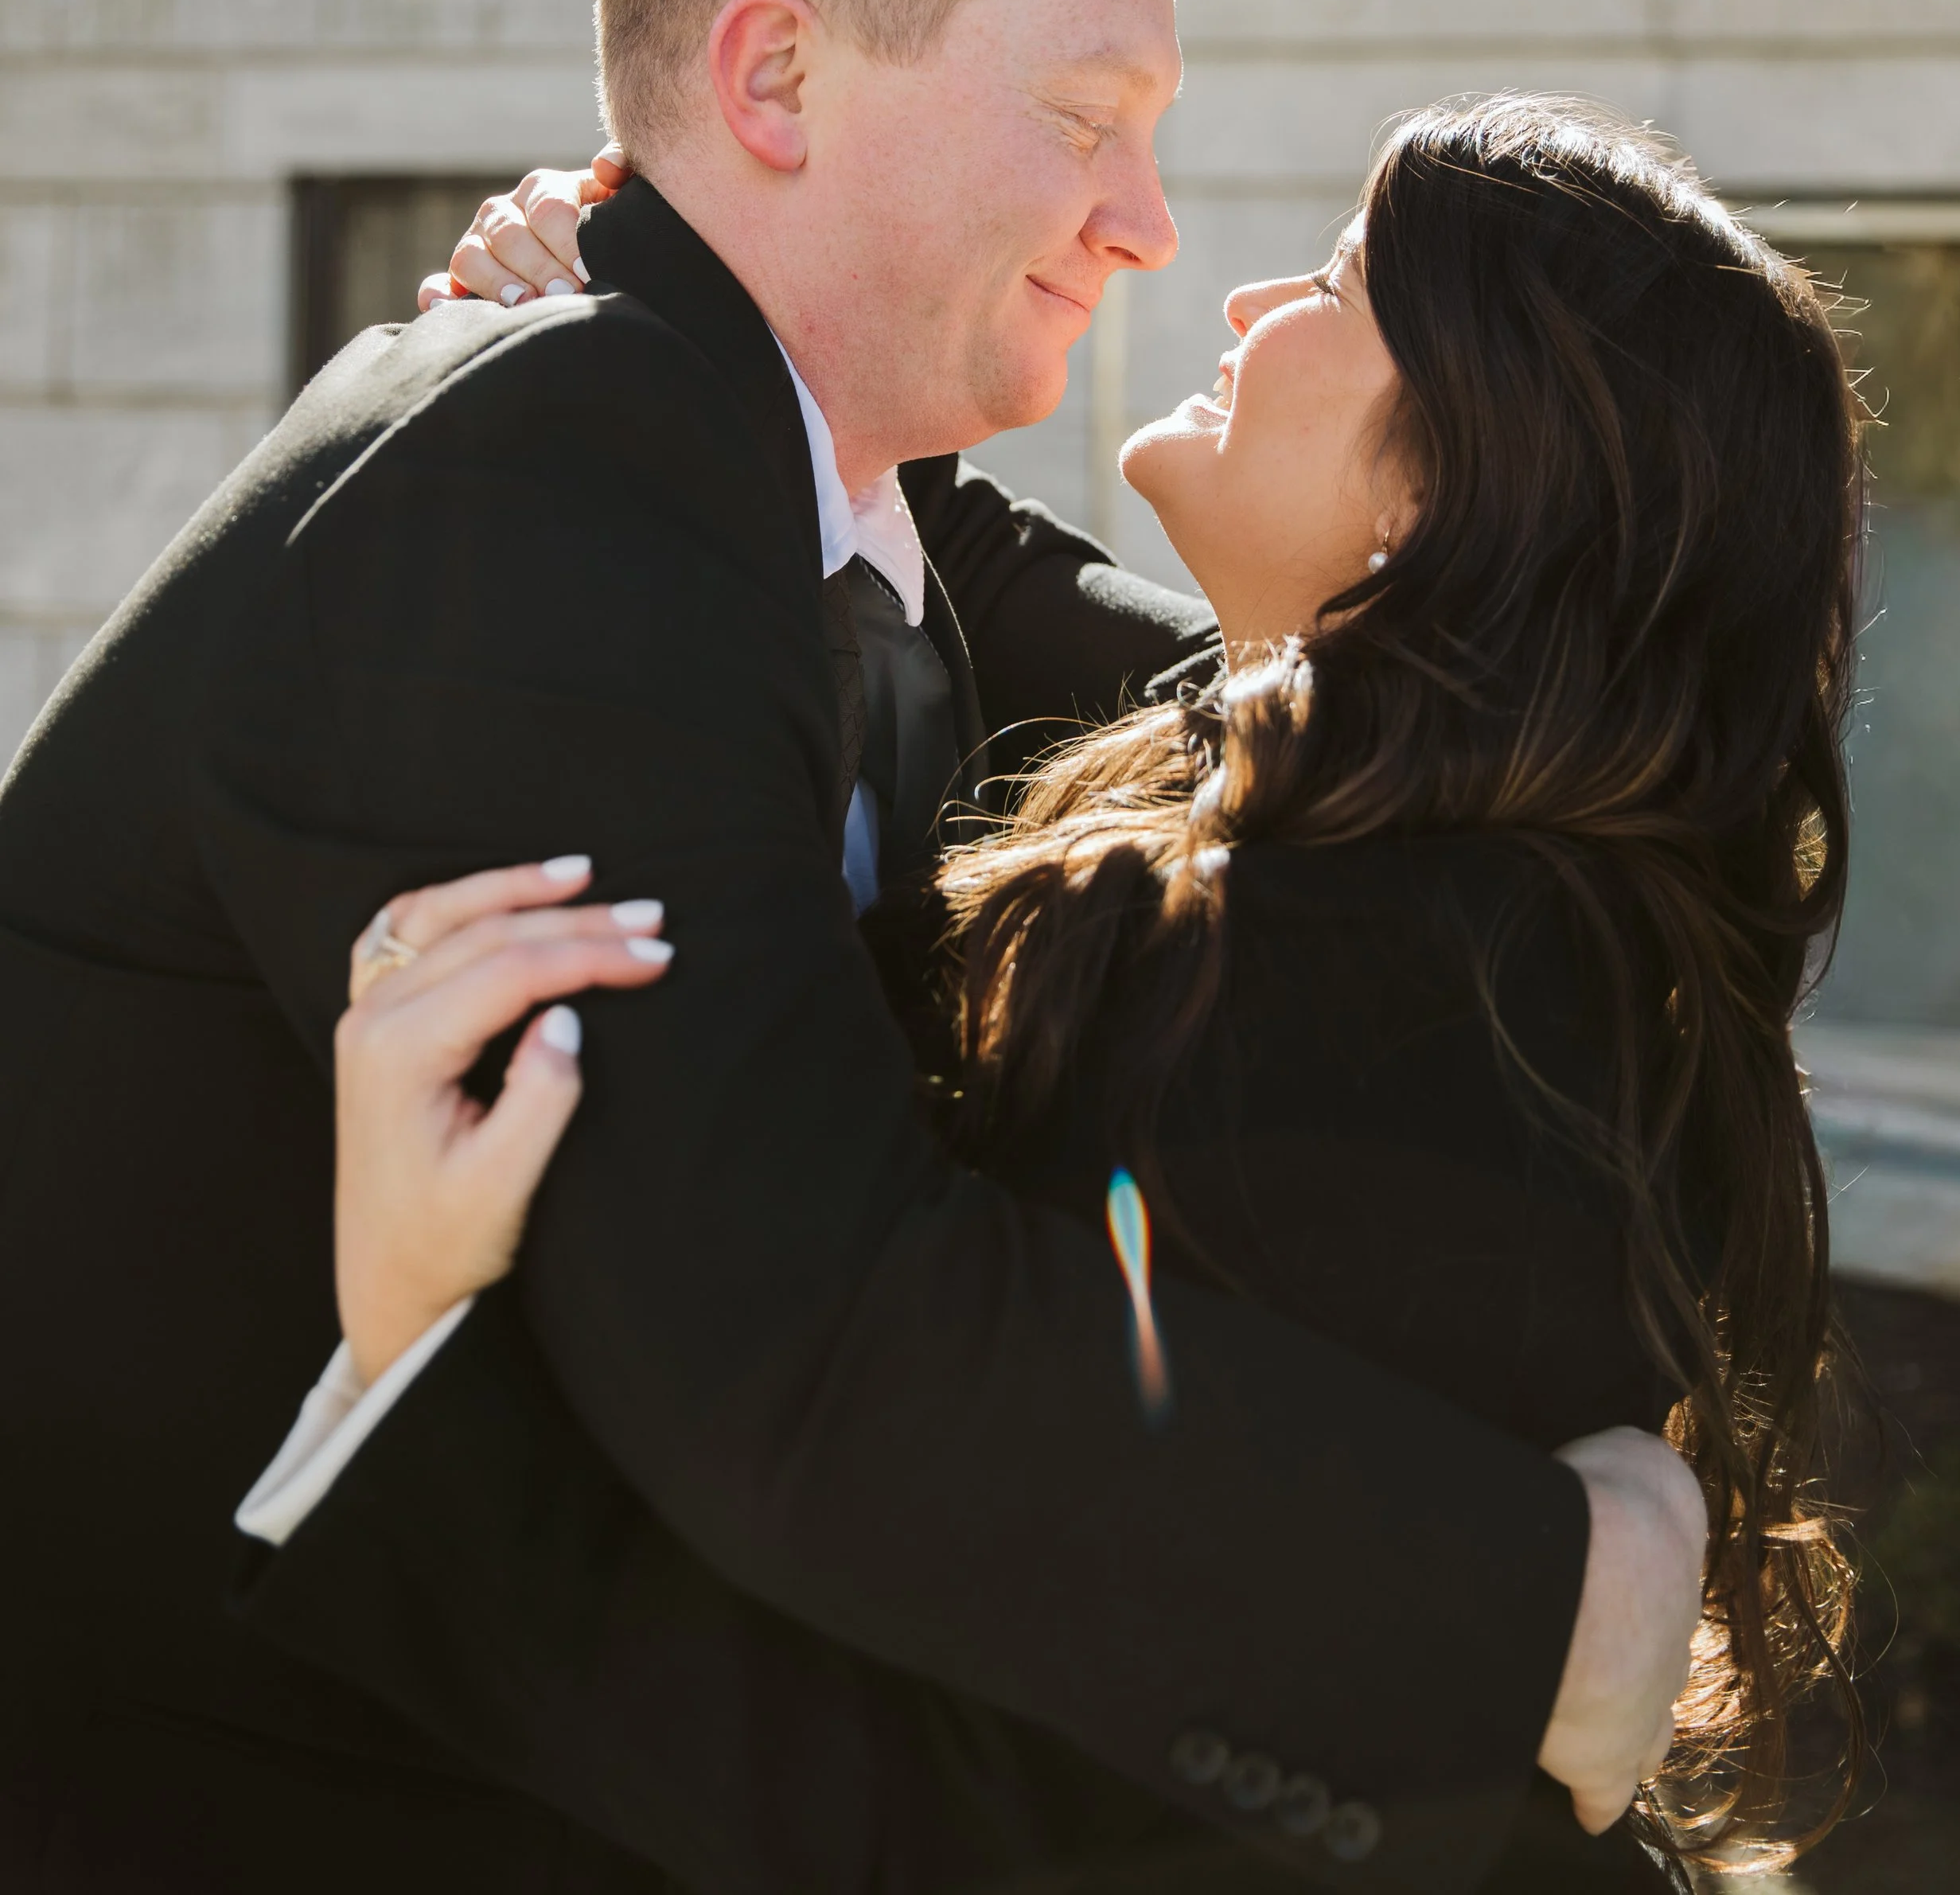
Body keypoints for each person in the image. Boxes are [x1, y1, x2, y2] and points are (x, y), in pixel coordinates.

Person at [0, 0, 1697, 1894]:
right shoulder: (554, 469)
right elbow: (807, 1339)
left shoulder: (820, 518)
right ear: (775, 74)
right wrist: (1536, 1607)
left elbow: (1313, 724)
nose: (1150, 222)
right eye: (1085, 116)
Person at [252, 93, 1861, 1889]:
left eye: (1336, 283)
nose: (1244, 300)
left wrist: (405, 1356)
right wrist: (704, 293)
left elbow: (946, 1782)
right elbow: (970, 558)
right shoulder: (1474, 864)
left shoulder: (1372, 1001)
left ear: (1438, 493)